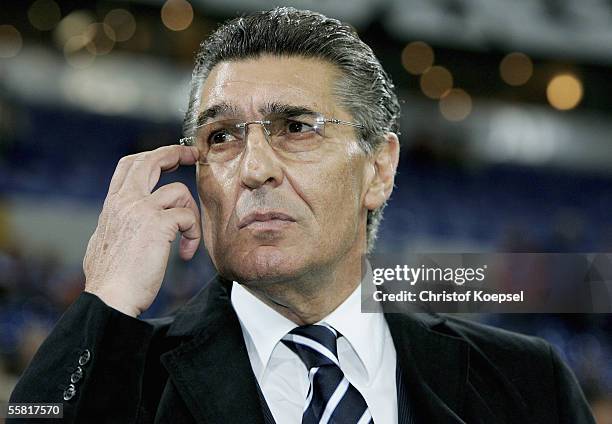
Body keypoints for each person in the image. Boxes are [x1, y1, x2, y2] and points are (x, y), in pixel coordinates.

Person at [9, 7, 595, 424]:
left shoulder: (525, 380)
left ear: (378, 169)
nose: (253, 167)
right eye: (221, 136)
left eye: (295, 128)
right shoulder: (119, 378)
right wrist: (105, 299)